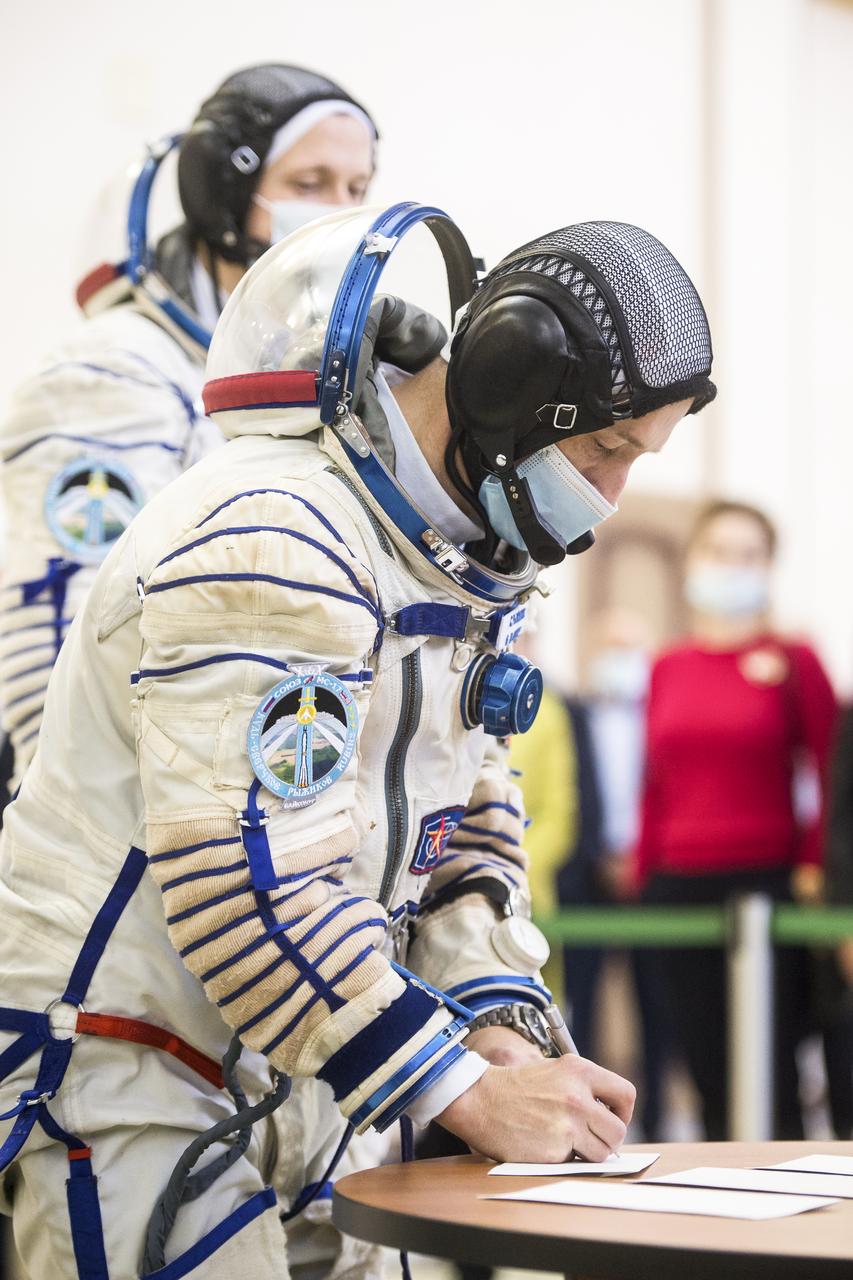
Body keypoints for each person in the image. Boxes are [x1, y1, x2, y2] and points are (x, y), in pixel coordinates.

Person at [0, 211, 715, 1278]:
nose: (609, 498)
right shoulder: (273, 531)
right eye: (604, 448)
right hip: (132, 1059)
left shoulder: (455, 556)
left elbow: (467, 811)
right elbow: (241, 877)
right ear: (507, 390)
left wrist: (491, 1026)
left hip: (311, 1062)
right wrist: (459, 1088)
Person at [0, 64, 377, 792]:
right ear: (225, 192)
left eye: (357, 190)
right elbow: (53, 643)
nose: (339, 212)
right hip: (129, 834)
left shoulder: (321, 391)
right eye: (309, 184)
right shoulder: (115, 369)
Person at [635, 499, 838, 1139]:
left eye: (749, 554)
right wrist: (644, 874)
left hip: (768, 885)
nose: (733, 565)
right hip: (676, 887)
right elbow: (655, 782)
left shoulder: (794, 659)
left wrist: (813, 864)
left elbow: (833, 775)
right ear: (694, 559)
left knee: (773, 1070)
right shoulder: (668, 666)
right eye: (720, 551)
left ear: (769, 567)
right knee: (705, 1070)